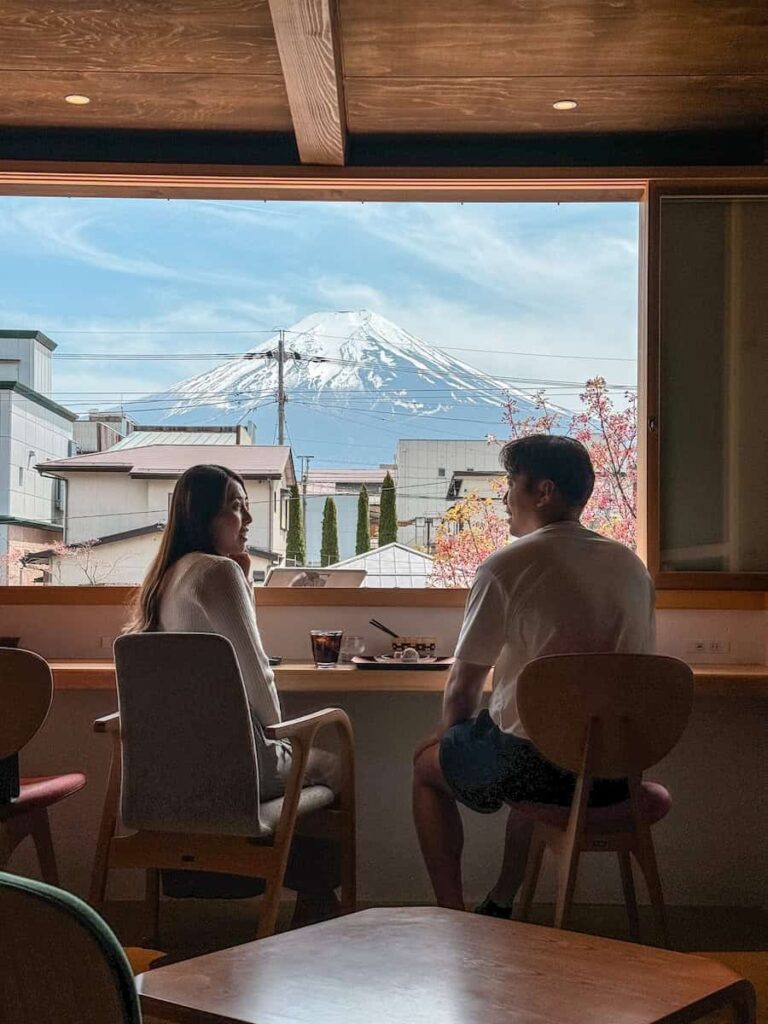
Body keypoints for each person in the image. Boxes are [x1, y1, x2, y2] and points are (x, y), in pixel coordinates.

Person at [412, 435, 655, 915]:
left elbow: (462, 687)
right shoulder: (632, 567)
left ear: (543, 492)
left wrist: (446, 736)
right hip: (615, 774)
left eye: (510, 485)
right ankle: (501, 902)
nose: (504, 498)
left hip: (537, 772)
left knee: (426, 765)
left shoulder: (507, 566)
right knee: (533, 737)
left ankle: (449, 913)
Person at [126, 463, 338, 800]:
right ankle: (280, 852)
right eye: (236, 507)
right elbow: (258, 682)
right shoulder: (218, 572)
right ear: (204, 515)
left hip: (179, 773)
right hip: (241, 769)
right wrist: (279, 736)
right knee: (335, 765)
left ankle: (258, 850)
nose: (249, 521)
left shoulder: (166, 578)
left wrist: (246, 582)